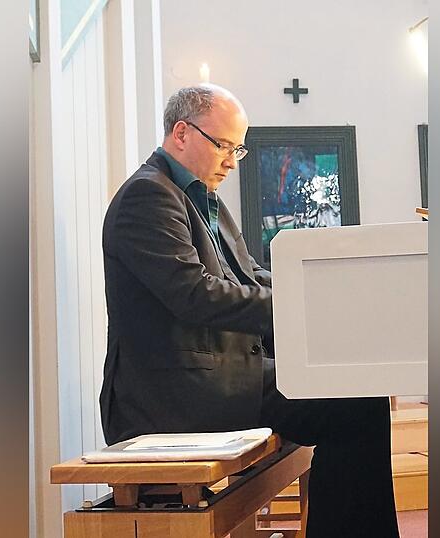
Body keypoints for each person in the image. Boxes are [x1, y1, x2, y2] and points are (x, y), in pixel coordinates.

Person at [99, 84, 399, 537]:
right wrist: (302, 307)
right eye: (223, 145)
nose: (230, 161)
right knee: (354, 405)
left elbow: (251, 275)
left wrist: (323, 296)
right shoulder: (148, 196)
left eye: (237, 149)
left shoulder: (201, 198)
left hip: (224, 377)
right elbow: (195, 294)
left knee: (360, 396)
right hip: (177, 394)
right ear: (181, 133)